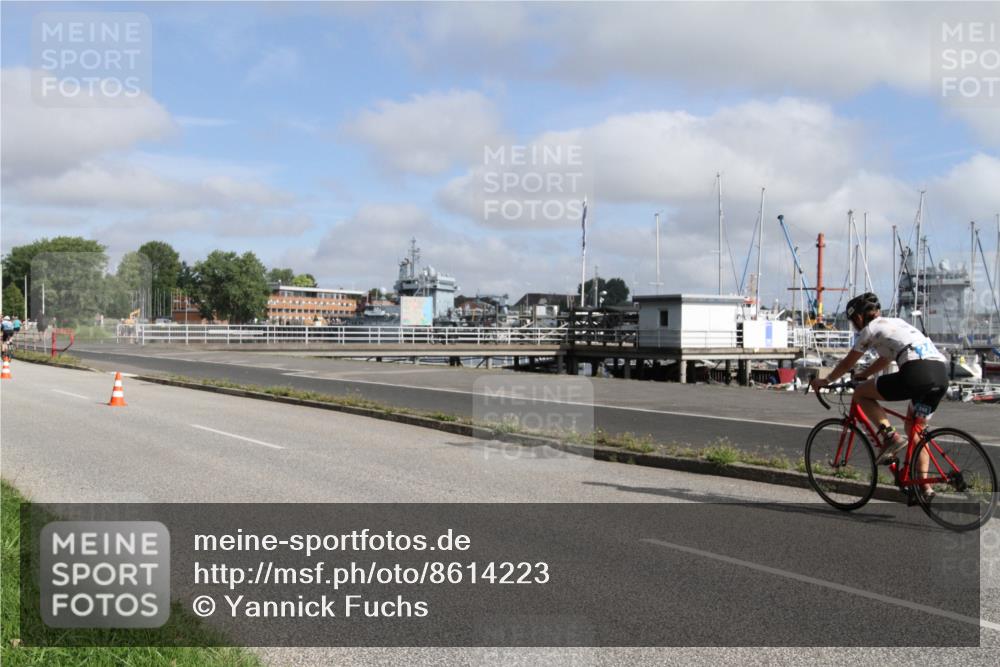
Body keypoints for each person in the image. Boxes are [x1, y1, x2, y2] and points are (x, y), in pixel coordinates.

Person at [810, 293, 949, 497]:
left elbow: (848, 362)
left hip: (916, 372)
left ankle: (890, 436)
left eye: (853, 321)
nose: (855, 325)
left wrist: (826, 380)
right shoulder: (896, 323)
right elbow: (885, 358)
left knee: (861, 393)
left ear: (858, 317)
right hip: (940, 374)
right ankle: (924, 486)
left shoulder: (869, 330)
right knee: (916, 429)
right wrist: (865, 374)